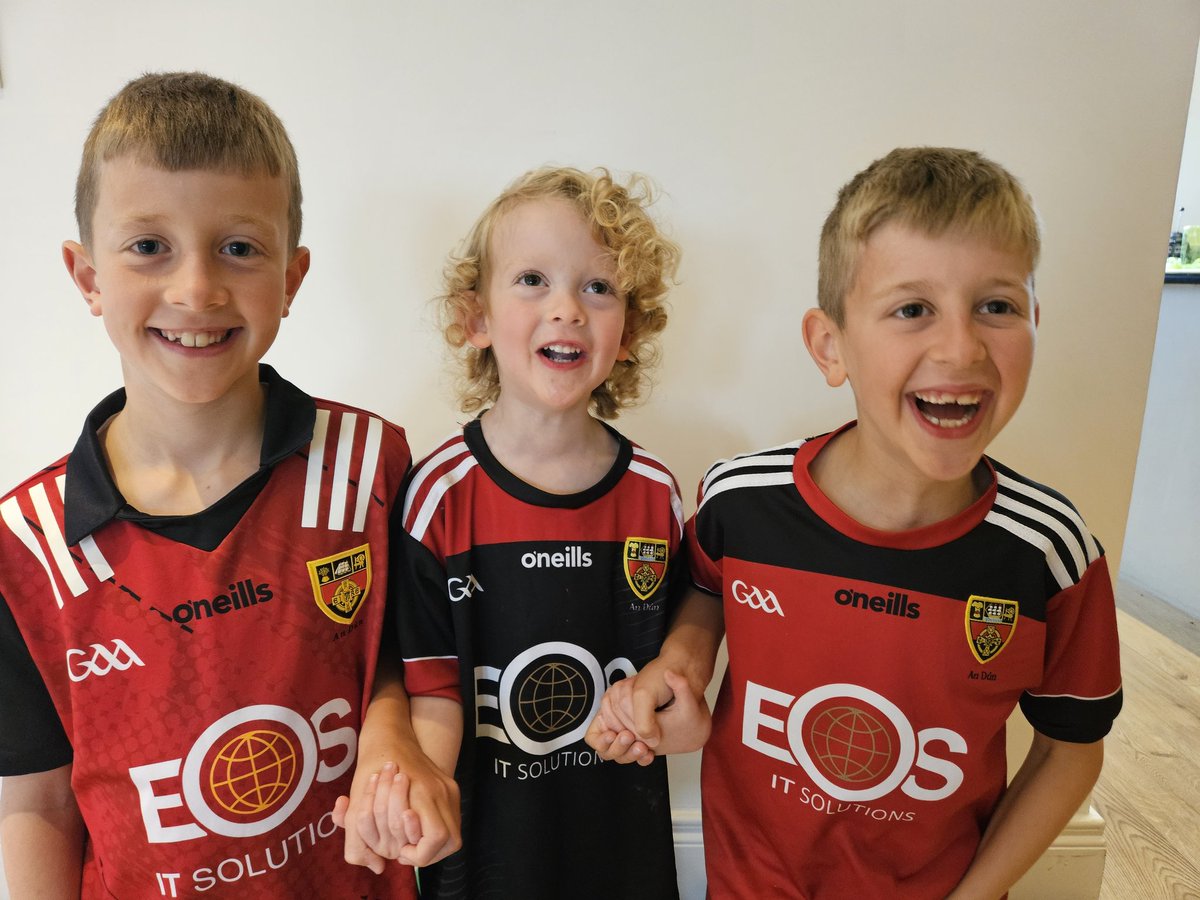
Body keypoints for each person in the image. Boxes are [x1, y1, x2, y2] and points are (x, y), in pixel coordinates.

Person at [587, 147, 1124, 899]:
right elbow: (709, 593)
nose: (961, 347)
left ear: (1035, 320)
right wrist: (680, 666)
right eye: (913, 309)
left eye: (996, 306)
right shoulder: (739, 500)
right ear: (829, 345)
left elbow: (1072, 749)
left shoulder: (1051, 555)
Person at [0, 71, 455, 899]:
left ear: (293, 275)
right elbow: (34, 805)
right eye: (148, 247)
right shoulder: (23, 546)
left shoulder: (371, 465)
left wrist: (395, 736)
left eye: (239, 247)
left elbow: (403, 664)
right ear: (86, 276)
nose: (196, 289)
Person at [340, 167, 686, 899]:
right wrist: (419, 790)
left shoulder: (656, 496)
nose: (567, 309)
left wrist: (658, 709)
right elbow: (433, 692)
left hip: (621, 847)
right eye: (533, 279)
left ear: (629, 331)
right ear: (477, 320)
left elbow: (674, 678)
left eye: (599, 287)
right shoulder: (437, 495)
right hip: (487, 857)